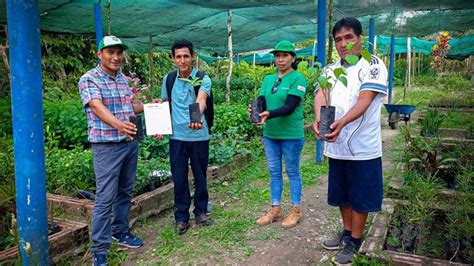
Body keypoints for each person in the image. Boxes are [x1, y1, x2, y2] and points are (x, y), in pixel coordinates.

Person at [313, 17, 388, 265]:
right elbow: (320, 97)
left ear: (360, 38)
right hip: (336, 146)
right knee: (342, 194)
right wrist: (318, 119)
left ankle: (355, 240)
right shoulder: (330, 70)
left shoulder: (373, 65)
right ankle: (346, 232)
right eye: (338, 39)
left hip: (362, 147)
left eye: (349, 38)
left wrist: (341, 123)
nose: (343, 44)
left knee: (360, 196)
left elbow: (364, 100)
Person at [78, 35, 144, 266]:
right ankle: (100, 249)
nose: (116, 57)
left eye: (119, 53)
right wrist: (119, 124)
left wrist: (151, 106)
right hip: (106, 146)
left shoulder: (123, 80)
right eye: (110, 52)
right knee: (105, 198)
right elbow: (96, 106)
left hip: (128, 143)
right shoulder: (89, 79)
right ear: (100, 54)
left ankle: (120, 231)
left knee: (125, 191)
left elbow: (130, 106)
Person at [156, 39, 212, 235]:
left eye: (186, 56)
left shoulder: (203, 78)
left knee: (200, 176)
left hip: (198, 136)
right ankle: (181, 217)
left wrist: (195, 118)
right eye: (178, 57)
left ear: (193, 57)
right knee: (179, 178)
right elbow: (164, 103)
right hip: (177, 138)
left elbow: (201, 99)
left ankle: (201, 211)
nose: (182, 60)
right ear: (173, 58)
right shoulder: (169, 79)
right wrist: (159, 126)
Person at [253, 40, 307, 228]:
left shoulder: (298, 79)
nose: (281, 59)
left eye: (285, 55)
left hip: (291, 134)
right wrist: (256, 111)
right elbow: (261, 100)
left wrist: (269, 114)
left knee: (292, 171)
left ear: (293, 58)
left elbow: (290, 106)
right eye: (277, 56)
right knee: (274, 172)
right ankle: (275, 209)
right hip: (271, 134)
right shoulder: (268, 79)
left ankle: (295, 210)